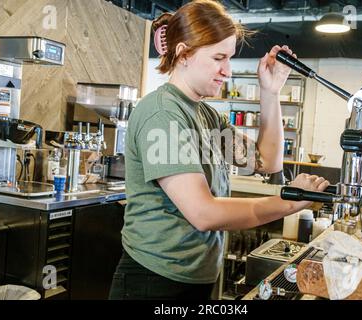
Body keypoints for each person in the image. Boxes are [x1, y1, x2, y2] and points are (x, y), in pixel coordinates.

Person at [109, 0, 329, 300]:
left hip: (194, 276)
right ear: (183, 53)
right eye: (218, 58)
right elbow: (203, 212)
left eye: (230, 58)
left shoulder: (205, 115)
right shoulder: (163, 114)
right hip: (154, 282)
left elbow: (266, 161)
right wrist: (289, 202)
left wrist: (270, 92)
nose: (227, 70)